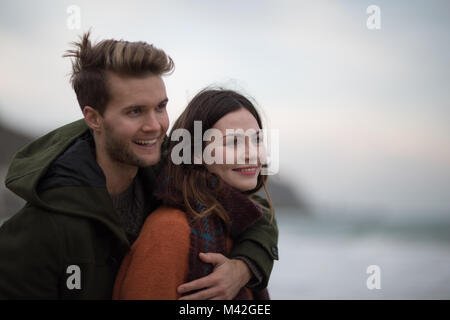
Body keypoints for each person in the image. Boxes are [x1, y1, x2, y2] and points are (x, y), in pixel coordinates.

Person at [0, 32, 278, 299]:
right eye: (135, 111)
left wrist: (243, 268)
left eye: (160, 107)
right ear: (94, 118)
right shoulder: (42, 230)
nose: (155, 126)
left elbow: (254, 212)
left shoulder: (171, 166)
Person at [113, 89, 275, 300]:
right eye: (233, 142)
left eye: (256, 140)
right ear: (197, 153)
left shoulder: (242, 223)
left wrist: (243, 268)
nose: (251, 153)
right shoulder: (171, 231)